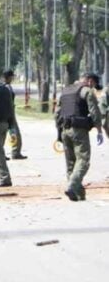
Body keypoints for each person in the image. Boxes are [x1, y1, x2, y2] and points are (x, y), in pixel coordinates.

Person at [54, 72, 104, 201]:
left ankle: (78, 194)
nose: (93, 86)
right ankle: (71, 186)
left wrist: (59, 132)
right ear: (89, 80)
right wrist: (99, 130)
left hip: (65, 129)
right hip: (79, 131)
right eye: (93, 84)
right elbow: (94, 111)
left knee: (71, 162)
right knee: (83, 161)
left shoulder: (65, 91)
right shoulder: (86, 91)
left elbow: (56, 113)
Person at [1, 69, 27, 159]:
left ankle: (2, 153)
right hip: (9, 113)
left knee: (3, 135)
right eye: (12, 76)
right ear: (9, 77)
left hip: (4, 113)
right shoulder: (7, 87)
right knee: (15, 133)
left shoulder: (1, 86)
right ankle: (15, 152)